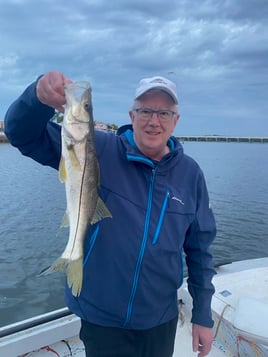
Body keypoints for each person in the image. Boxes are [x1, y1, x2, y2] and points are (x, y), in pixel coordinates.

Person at [4, 71, 216, 357]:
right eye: (145, 111)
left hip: (160, 318)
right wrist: (37, 98)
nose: (154, 121)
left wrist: (202, 314)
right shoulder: (96, 148)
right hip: (102, 319)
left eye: (164, 112)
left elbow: (200, 250)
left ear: (175, 120)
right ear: (132, 114)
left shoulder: (190, 175)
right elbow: (22, 135)